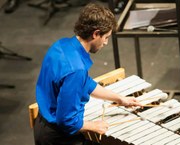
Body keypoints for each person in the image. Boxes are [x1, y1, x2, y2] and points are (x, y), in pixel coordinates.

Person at [34, 3, 142, 145]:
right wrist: (93, 125)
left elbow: (86, 84)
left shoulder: (61, 45)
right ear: (96, 34)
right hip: (58, 138)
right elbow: (66, 120)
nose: (106, 43)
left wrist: (119, 99)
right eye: (106, 37)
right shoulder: (76, 70)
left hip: (42, 124)